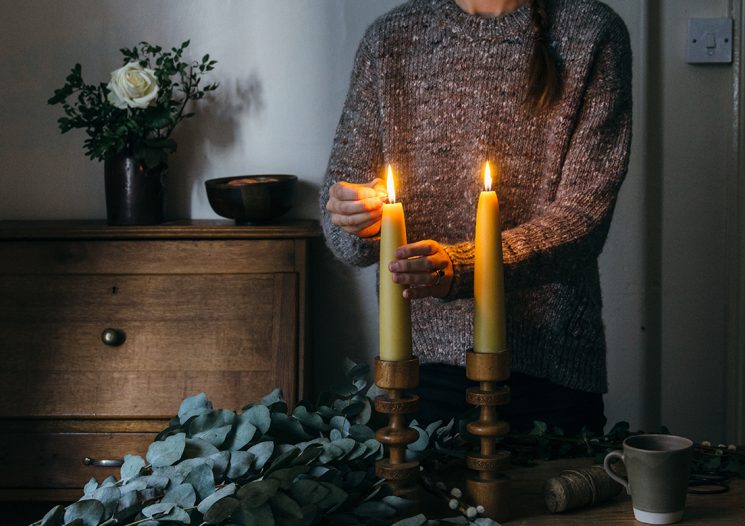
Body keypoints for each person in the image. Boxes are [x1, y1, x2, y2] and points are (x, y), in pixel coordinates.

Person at [320, 0, 632, 435]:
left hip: (551, 372)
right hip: (419, 372)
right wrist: (356, 218)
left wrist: (463, 267)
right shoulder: (390, 41)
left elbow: (583, 218)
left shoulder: (591, 33)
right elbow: (345, 219)